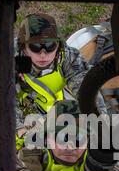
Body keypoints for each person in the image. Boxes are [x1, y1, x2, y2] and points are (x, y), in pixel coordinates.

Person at [15, 13, 106, 148]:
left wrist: (98, 122)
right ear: (24, 48)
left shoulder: (68, 57)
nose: (43, 54)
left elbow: (86, 90)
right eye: (35, 47)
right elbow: (3, 99)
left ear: (58, 46)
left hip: (54, 109)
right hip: (21, 110)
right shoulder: (7, 59)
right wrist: (20, 129)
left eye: (50, 46)